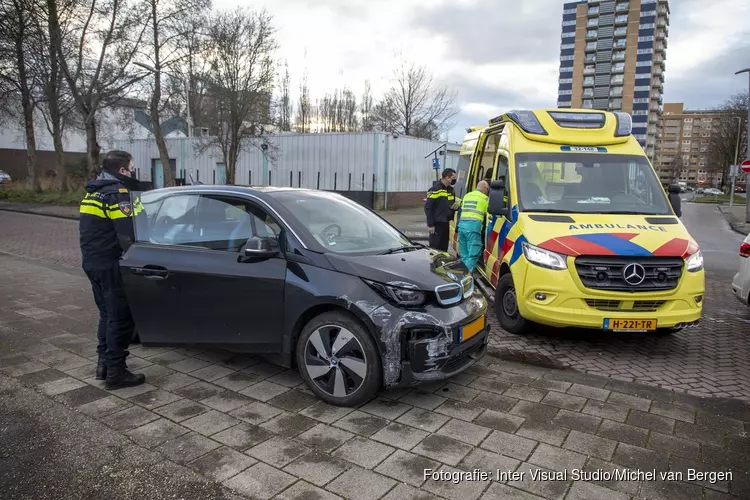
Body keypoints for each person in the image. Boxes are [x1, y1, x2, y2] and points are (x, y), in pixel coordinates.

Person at [79, 150, 146, 390]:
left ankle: (104, 366)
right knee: (119, 317)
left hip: (92, 262)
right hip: (110, 264)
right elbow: (129, 233)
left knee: (107, 314)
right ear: (122, 170)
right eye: (131, 168)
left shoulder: (94, 192)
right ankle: (116, 373)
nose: (132, 172)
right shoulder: (117, 194)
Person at [458, 181, 490, 272]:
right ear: (484, 188)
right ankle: (465, 277)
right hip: (473, 228)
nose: (487, 191)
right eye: (487, 189)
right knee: (473, 254)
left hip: (462, 227)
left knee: (464, 254)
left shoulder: (467, 195)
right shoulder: (485, 198)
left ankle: (461, 274)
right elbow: (490, 214)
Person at [425, 168, 458, 251]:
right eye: (453, 178)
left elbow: (451, 204)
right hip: (436, 224)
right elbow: (428, 208)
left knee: (444, 248)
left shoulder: (451, 190)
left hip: (446, 223)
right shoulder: (435, 189)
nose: (454, 180)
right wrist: (431, 224)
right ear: (447, 177)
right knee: (435, 248)